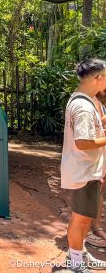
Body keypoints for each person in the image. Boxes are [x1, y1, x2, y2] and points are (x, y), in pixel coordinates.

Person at [61, 58, 106, 272]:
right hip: (83, 171)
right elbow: (83, 142)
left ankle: (80, 254)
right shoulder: (83, 107)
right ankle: (76, 262)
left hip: (87, 170)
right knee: (80, 219)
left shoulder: (85, 100)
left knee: (85, 217)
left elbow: (93, 128)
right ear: (98, 78)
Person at [87, 89, 106, 248]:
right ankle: (85, 230)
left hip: (101, 150)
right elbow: (96, 124)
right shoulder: (88, 100)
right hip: (92, 153)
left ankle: (96, 226)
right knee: (91, 189)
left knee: (99, 189)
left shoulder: (99, 101)